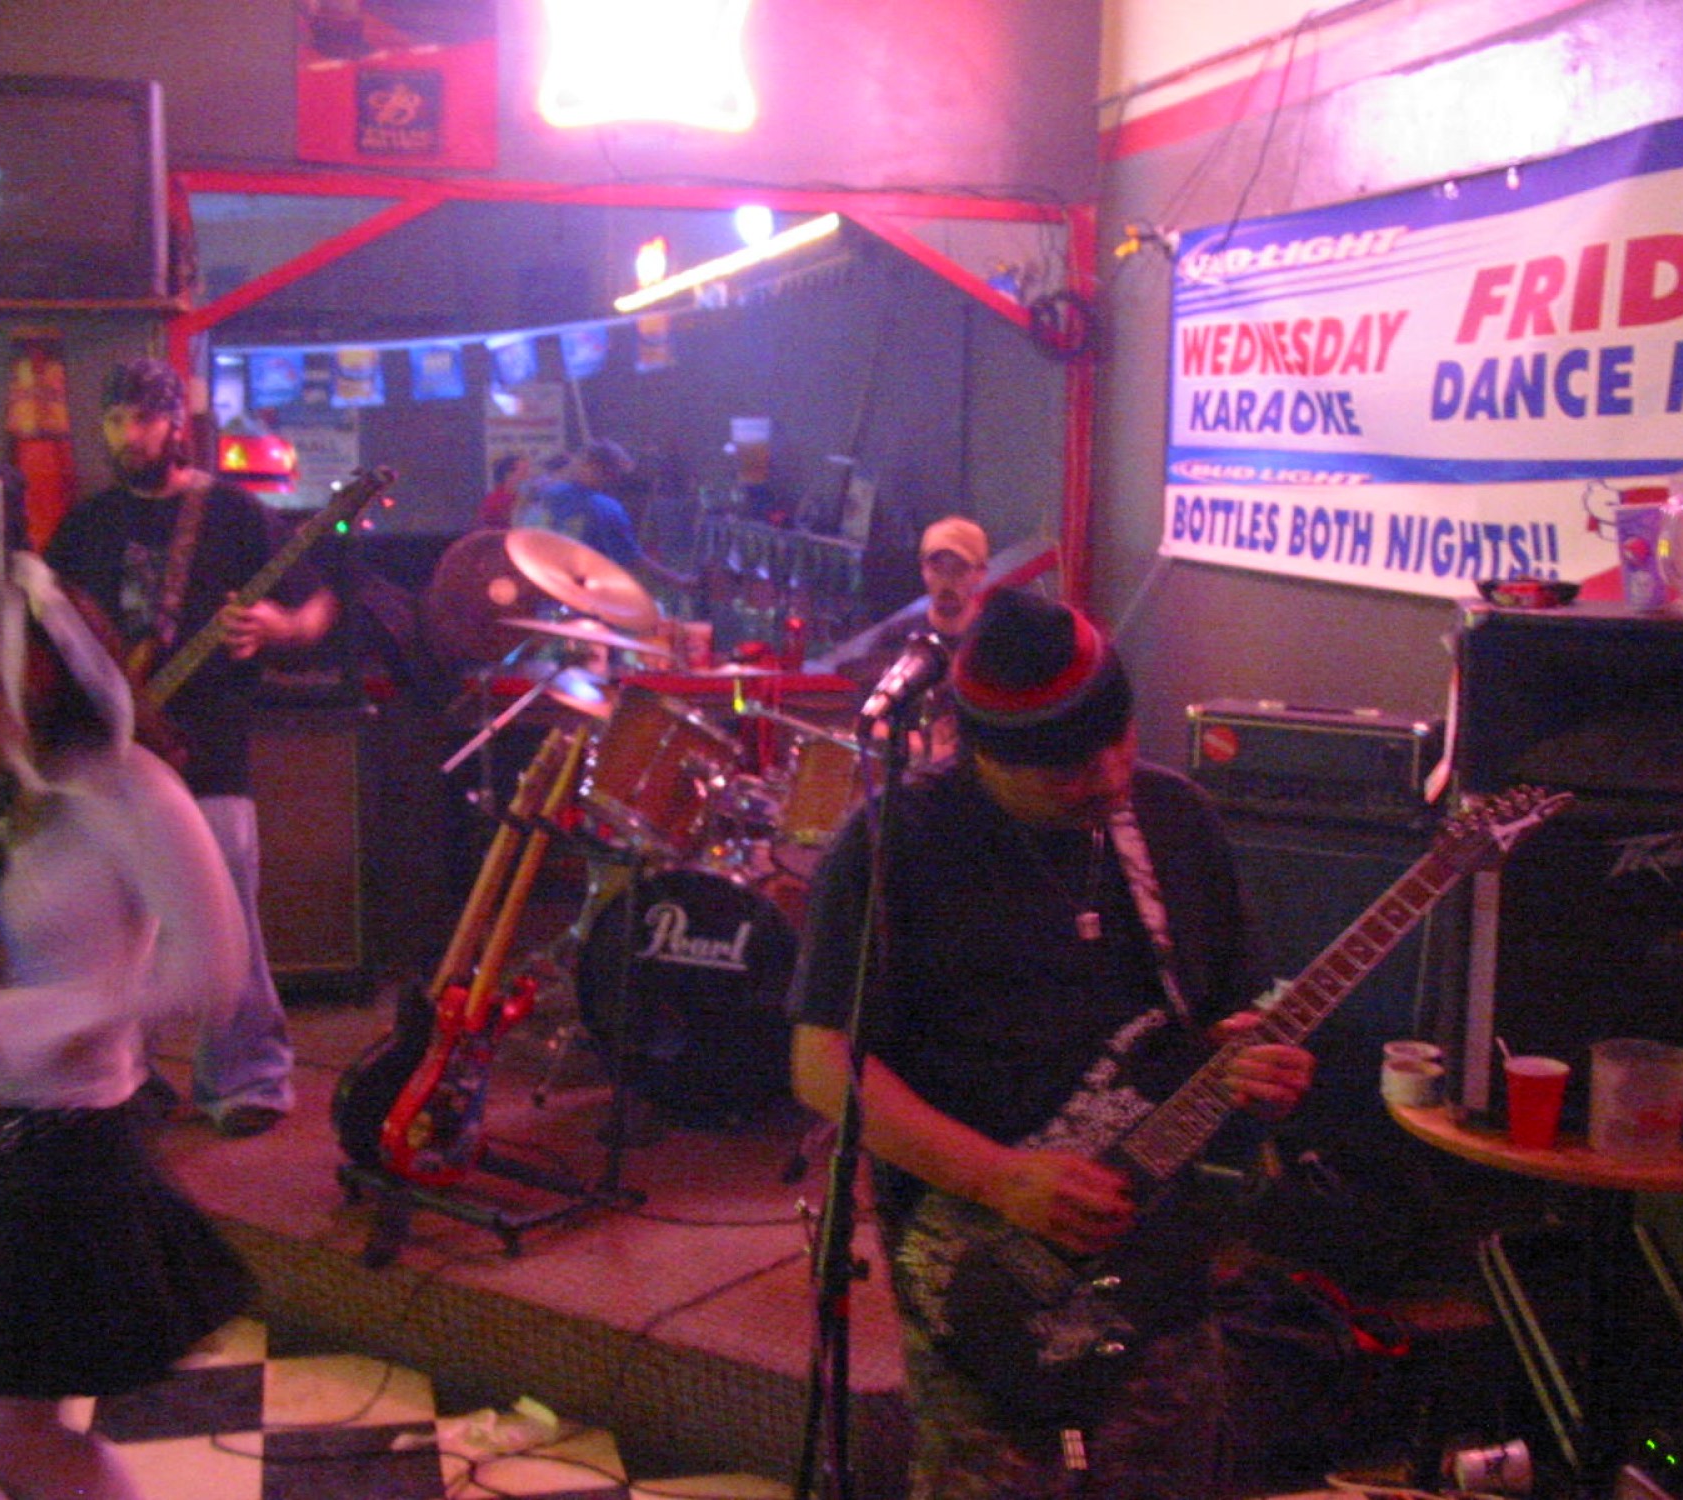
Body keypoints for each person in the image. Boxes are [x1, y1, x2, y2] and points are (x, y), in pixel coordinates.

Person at [789, 586, 1316, 1496]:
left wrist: (1254, 1063)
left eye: (1119, 741)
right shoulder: (895, 844)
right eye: (1065, 770)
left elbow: (1226, 1018)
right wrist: (999, 1177)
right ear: (980, 753)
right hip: (984, 1261)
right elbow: (821, 1064)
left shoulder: (1175, 820)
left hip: (1158, 1249)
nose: (1106, 778)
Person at [0, 555, 254, 1500]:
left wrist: (23, 1025)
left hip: (59, 1155)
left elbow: (212, 970)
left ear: (25, 683)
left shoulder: (135, 793)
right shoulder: (0, 787)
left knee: (25, 1444)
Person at [45, 358, 336, 1137]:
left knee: (227, 926)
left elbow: (316, 606)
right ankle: (125, 1079)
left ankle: (248, 1079)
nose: (127, 437)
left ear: (176, 424)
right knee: (114, 936)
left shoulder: (232, 513)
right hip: (111, 759)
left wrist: (279, 626)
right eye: (114, 421)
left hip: (208, 751)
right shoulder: (87, 525)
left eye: (142, 420)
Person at [838, 515, 991, 764]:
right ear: (923, 569)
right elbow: (864, 721)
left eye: (958, 569)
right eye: (937, 568)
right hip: (911, 775)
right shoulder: (895, 639)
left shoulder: (994, 642)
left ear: (980, 573)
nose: (947, 580)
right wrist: (920, 746)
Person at [511, 437, 694, 595]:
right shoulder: (605, 509)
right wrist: (678, 580)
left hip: (533, 589)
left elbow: (519, 531)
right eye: (616, 475)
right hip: (582, 597)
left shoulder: (541, 495)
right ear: (604, 471)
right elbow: (631, 559)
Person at [477, 452, 531, 529]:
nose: (528, 475)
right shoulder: (494, 501)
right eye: (524, 471)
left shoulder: (525, 496)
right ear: (508, 474)